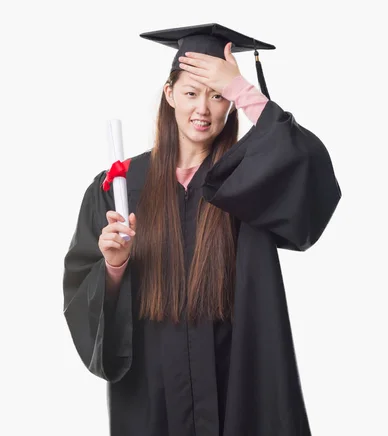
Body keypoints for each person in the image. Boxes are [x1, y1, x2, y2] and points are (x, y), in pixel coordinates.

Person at [62, 23, 341, 436]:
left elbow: (310, 177)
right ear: (169, 93)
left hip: (239, 384)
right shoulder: (119, 186)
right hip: (153, 392)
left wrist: (245, 91)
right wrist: (115, 268)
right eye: (191, 92)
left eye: (217, 95)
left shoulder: (250, 180)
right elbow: (84, 295)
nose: (203, 110)